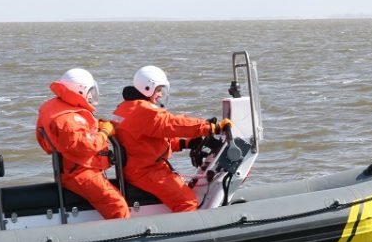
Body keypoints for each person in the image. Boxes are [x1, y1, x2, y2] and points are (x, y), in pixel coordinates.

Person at [112, 65, 230, 212]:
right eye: (158, 90)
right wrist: (211, 128)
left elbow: (146, 140)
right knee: (187, 202)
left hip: (137, 167)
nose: (160, 94)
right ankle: (187, 233)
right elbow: (172, 123)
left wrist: (185, 143)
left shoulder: (126, 107)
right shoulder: (146, 112)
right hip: (147, 171)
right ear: (147, 88)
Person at [35, 68, 130, 220]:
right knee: (116, 205)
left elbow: (48, 142)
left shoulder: (60, 108)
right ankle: (124, 239)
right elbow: (84, 146)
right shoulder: (67, 119)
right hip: (80, 173)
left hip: (73, 169)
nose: (92, 95)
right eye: (90, 91)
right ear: (80, 91)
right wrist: (104, 132)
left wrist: (96, 125)